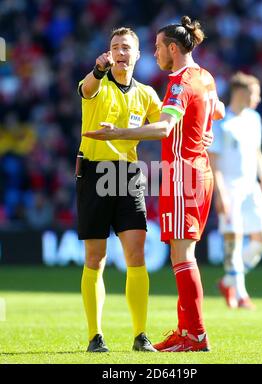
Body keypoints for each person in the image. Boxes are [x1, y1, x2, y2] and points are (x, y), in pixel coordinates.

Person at [83, 16, 225, 352]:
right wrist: (205, 128)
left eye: (158, 46)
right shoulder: (204, 76)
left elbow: (162, 129)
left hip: (181, 172)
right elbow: (216, 110)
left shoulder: (176, 84)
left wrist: (119, 134)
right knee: (178, 254)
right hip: (197, 170)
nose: (155, 52)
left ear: (172, 49)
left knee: (181, 255)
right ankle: (187, 330)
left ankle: (193, 333)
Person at [77, 27, 162, 353]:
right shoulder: (98, 83)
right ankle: (94, 336)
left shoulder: (146, 93)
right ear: (108, 54)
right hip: (95, 174)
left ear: (137, 54)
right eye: (114, 47)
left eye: (126, 47)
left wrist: (125, 133)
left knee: (136, 255)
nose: (120, 52)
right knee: (95, 258)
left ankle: (141, 335)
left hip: (127, 175)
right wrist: (98, 70)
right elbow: (87, 87)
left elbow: (163, 128)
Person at [208, 72, 262, 310]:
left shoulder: (254, 118)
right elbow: (212, 160)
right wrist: (220, 192)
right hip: (230, 186)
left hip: (250, 186)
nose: (257, 98)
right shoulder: (221, 121)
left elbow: (256, 152)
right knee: (233, 240)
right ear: (241, 92)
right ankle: (241, 293)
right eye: (255, 93)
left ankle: (228, 281)